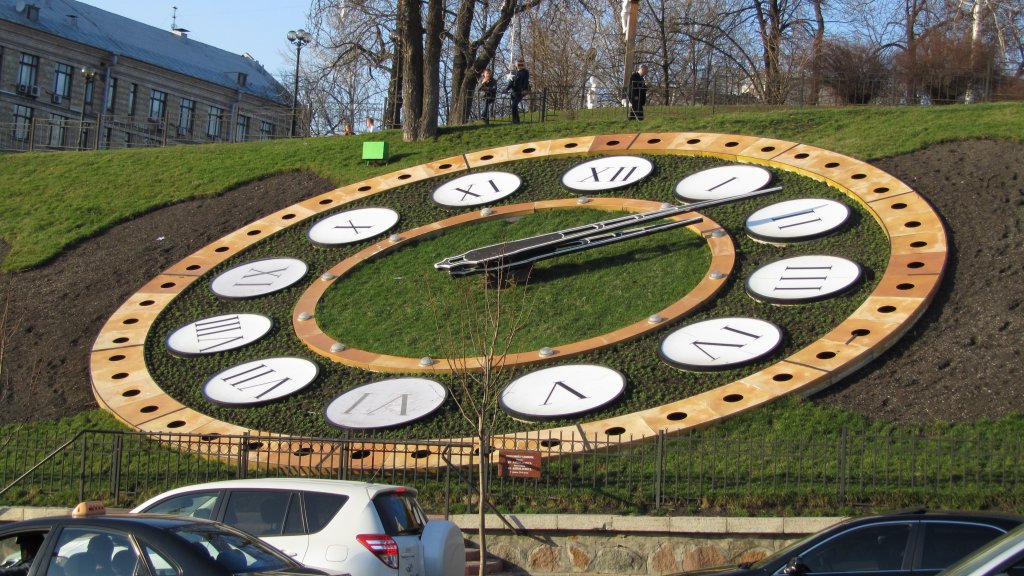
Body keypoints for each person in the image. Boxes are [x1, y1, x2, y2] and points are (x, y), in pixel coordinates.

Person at [505, 59, 530, 124]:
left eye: (522, 65)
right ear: (516, 65)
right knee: (515, 106)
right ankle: (517, 121)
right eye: (519, 65)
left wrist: (525, 90)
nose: (520, 66)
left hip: (520, 91)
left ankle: (514, 120)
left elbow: (526, 81)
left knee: (513, 105)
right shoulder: (513, 72)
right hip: (514, 91)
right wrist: (506, 89)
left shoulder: (525, 72)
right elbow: (510, 82)